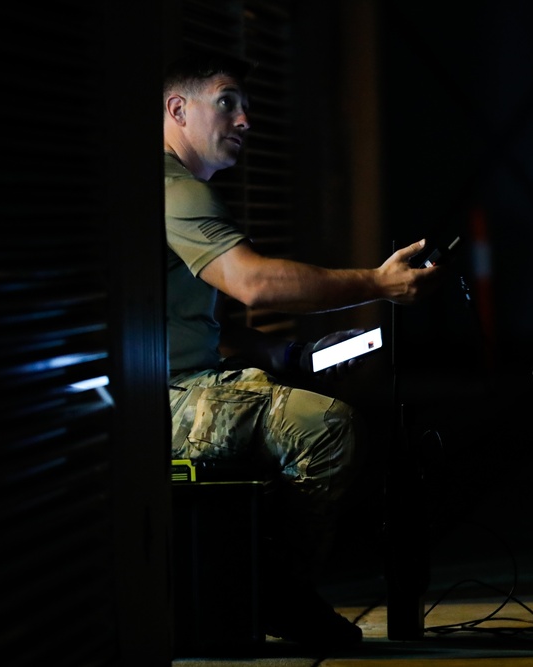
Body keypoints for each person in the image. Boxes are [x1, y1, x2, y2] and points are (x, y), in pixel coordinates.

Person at [162, 52, 443, 647]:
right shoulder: (172, 190)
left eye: (246, 107)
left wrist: (289, 355)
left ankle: (256, 588)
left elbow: (200, 327)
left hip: (179, 386)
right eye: (227, 101)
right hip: (155, 403)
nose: (244, 119)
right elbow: (255, 282)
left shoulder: (178, 191)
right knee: (325, 429)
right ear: (178, 110)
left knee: (307, 404)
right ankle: (278, 599)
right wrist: (375, 282)